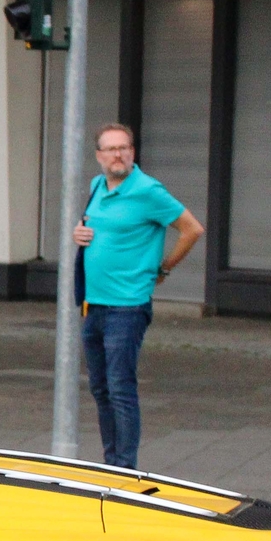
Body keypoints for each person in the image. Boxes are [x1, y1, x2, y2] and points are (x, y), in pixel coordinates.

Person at [71, 123, 203, 471]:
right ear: (99, 156)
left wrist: (165, 268)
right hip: (92, 304)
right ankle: (111, 462)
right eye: (111, 149)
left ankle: (124, 468)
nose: (119, 154)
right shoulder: (97, 186)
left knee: (120, 389)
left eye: (124, 148)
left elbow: (192, 229)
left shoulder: (148, 191)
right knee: (100, 389)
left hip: (126, 307)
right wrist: (80, 233)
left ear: (132, 152)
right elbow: (96, 229)